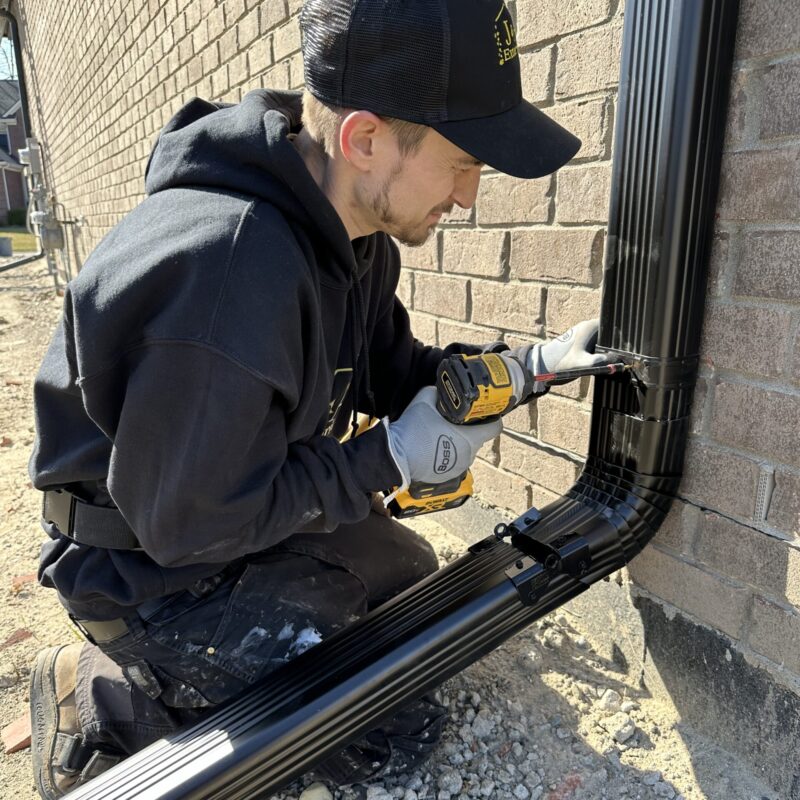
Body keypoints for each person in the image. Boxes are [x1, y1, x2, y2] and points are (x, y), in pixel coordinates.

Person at [27, 1, 606, 797]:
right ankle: (106, 696)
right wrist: (392, 455)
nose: (468, 197)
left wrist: (525, 368)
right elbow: (191, 524)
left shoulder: (350, 234)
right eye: (464, 161)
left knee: (410, 583)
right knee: (384, 732)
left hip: (216, 500)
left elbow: (390, 367)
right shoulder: (226, 274)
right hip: (147, 568)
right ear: (364, 138)